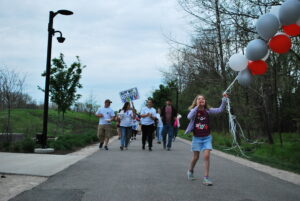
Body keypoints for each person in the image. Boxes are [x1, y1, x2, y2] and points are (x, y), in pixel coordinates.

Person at [185, 93, 228, 186]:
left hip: (207, 138)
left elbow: (220, 110)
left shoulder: (208, 111)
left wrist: (224, 101)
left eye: (203, 99)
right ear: (196, 102)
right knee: (196, 157)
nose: (201, 100)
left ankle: (206, 178)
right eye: (199, 99)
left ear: (205, 101)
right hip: (196, 138)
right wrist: (197, 107)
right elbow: (189, 117)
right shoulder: (194, 111)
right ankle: (190, 171)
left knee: (207, 156)